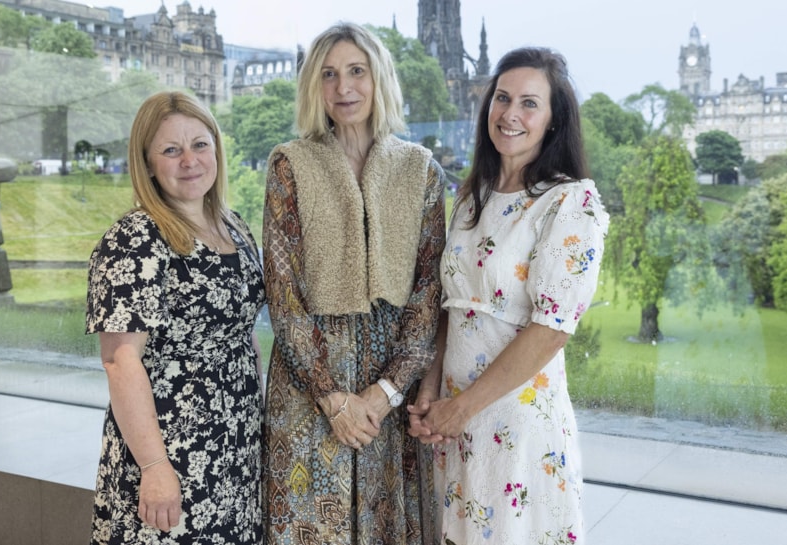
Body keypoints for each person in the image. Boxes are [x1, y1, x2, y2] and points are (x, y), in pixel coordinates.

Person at [408, 47, 610, 544]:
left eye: (528, 103)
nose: (510, 114)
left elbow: (552, 329)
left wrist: (462, 407)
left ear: (553, 120)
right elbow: (449, 306)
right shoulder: (469, 197)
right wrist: (432, 391)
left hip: (516, 423)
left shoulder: (569, 202)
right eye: (502, 98)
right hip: (453, 422)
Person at [261, 22, 446, 545]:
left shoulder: (420, 169)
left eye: (356, 71)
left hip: (388, 388)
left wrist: (384, 393)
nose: (344, 88)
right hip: (308, 387)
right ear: (313, 87)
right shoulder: (290, 164)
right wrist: (331, 398)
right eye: (329, 74)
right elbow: (283, 291)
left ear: (378, 77)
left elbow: (428, 293)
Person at [86, 90, 266, 544]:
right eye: (171, 150)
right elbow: (119, 361)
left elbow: (243, 332)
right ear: (147, 163)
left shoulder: (235, 226)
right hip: (170, 453)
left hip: (235, 450)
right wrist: (154, 466)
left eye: (200, 144)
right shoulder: (134, 239)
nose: (190, 160)